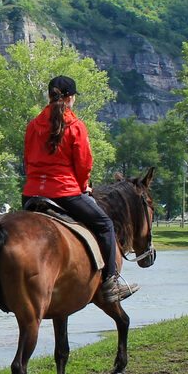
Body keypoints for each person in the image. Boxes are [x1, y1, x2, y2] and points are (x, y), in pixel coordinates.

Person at [21, 75, 138, 303]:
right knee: (105, 225)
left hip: (32, 193)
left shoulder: (33, 125)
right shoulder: (75, 126)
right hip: (64, 193)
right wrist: (84, 186)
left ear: (49, 96)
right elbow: (84, 164)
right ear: (70, 98)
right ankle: (111, 283)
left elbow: (27, 159)